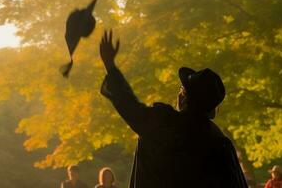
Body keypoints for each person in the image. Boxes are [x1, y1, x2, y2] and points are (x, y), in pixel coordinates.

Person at [99, 30, 248, 188]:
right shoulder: (220, 144)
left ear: (184, 97)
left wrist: (110, 66)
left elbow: (131, 107)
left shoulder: (164, 125)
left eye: (181, 89)